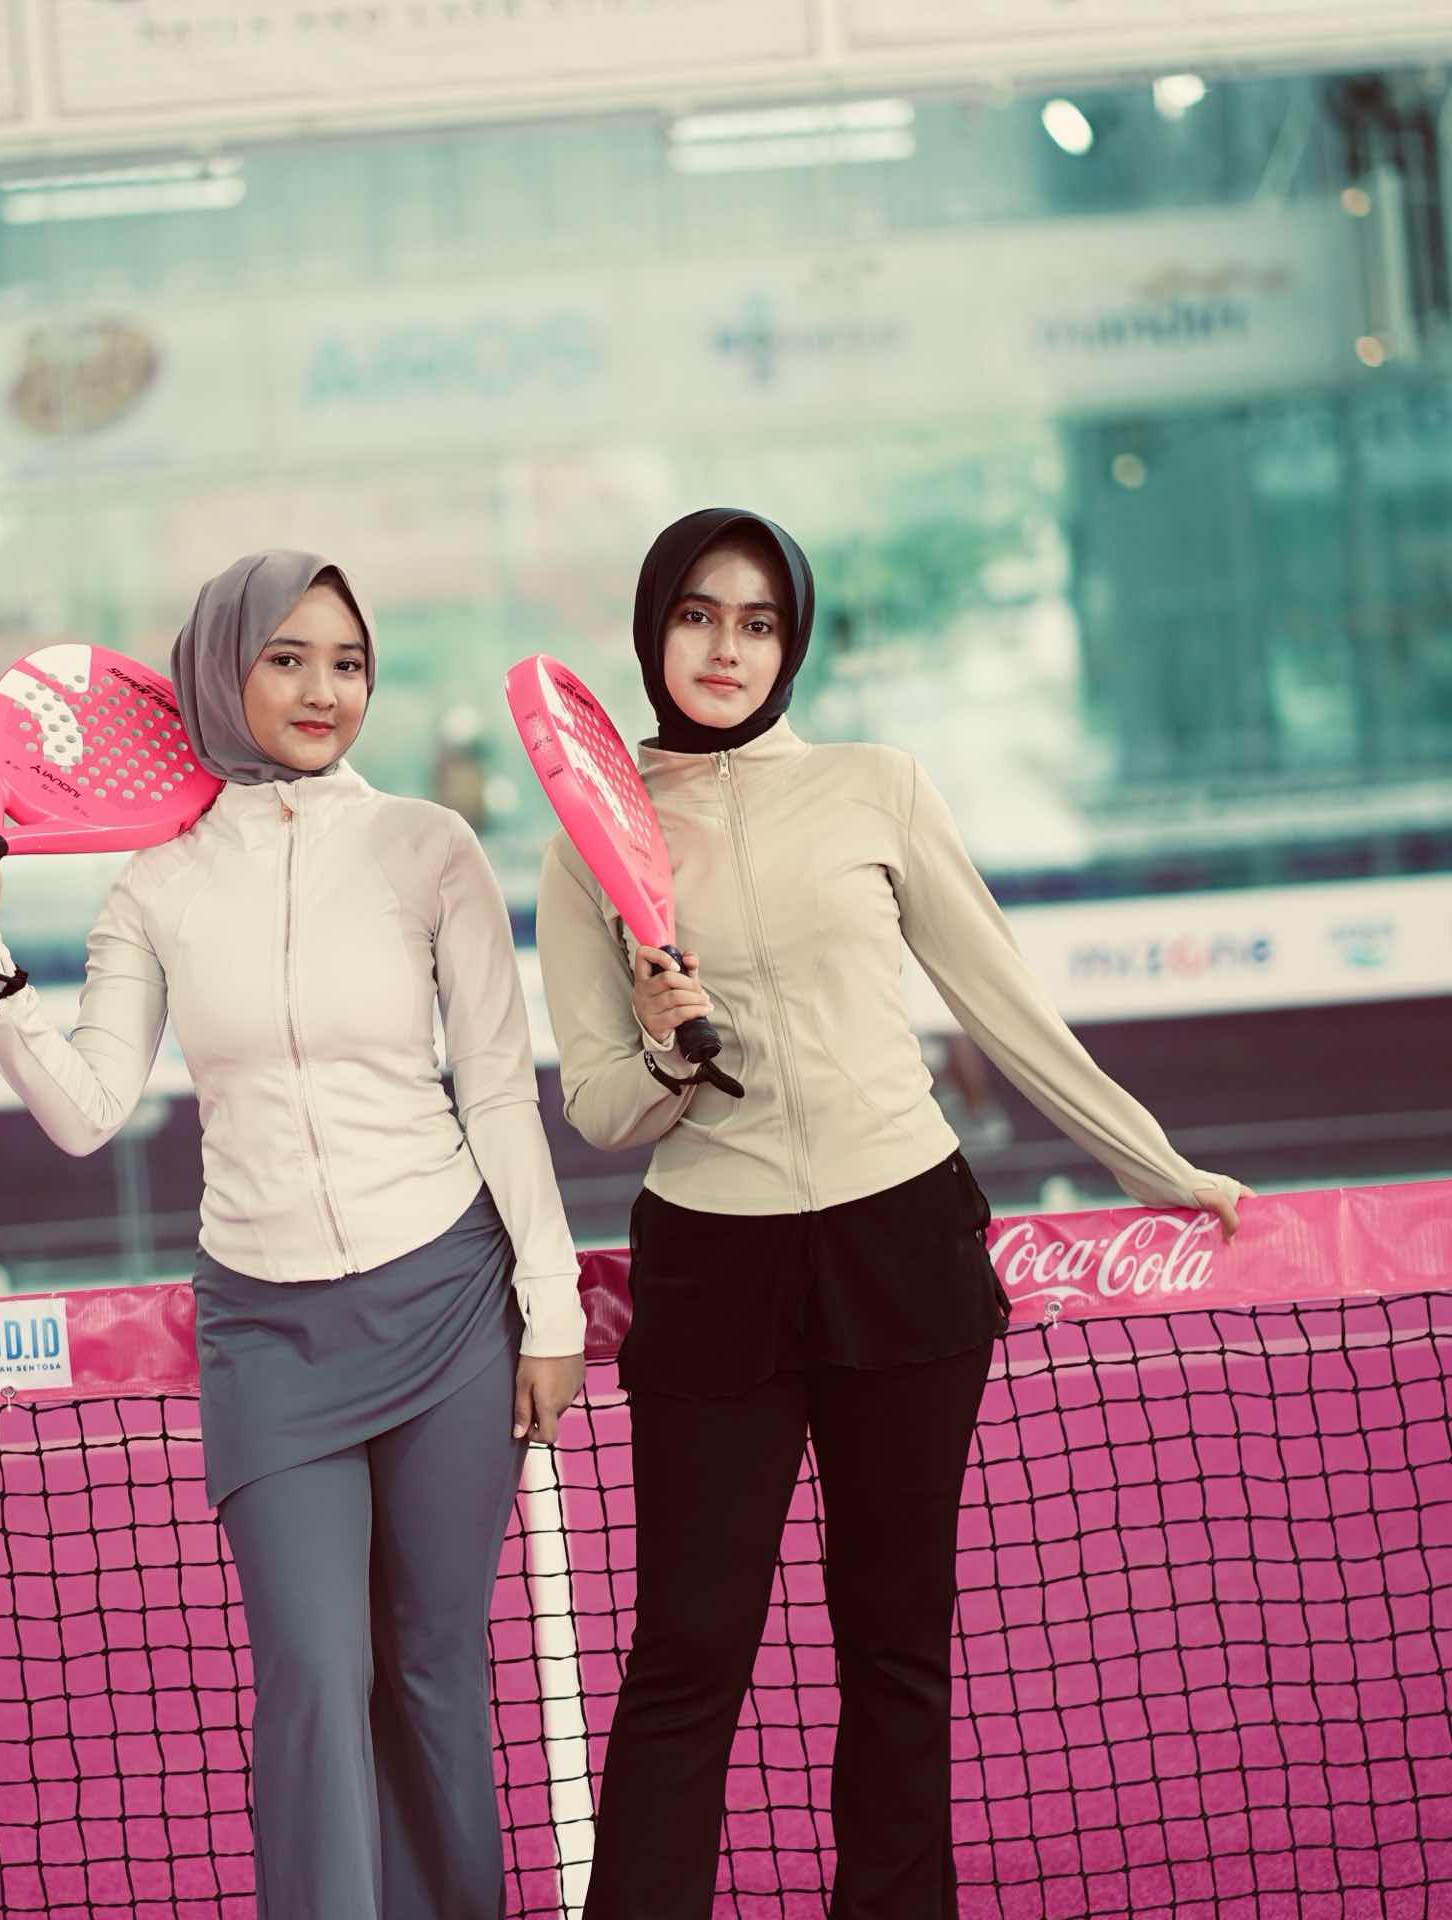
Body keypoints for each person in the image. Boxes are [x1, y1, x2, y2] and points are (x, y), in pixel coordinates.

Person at [534, 507, 1252, 1920]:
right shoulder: (591, 840)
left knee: (895, 1645)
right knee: (688, 1653)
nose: (726, 647)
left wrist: (1155, 1165)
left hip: (901, 1242)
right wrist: (672, 1048)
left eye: (758, 622)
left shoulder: (876, 788)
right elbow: (603, 1109)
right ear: (652, 630)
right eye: (697, 616)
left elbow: (1006, 1004)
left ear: (793, 642)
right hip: (713, 1271)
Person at [0, 550, 585, 1920]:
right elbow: (88, 1112)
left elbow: (499, 1092)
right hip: (268, 1336)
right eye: (286, 658)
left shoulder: (429, 848)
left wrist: (553, 1305)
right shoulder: (153, 887)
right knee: (316, 1675)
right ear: (221, 672)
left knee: (435, 1670)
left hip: (452, 1306)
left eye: (348, 662)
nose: (323, 689)